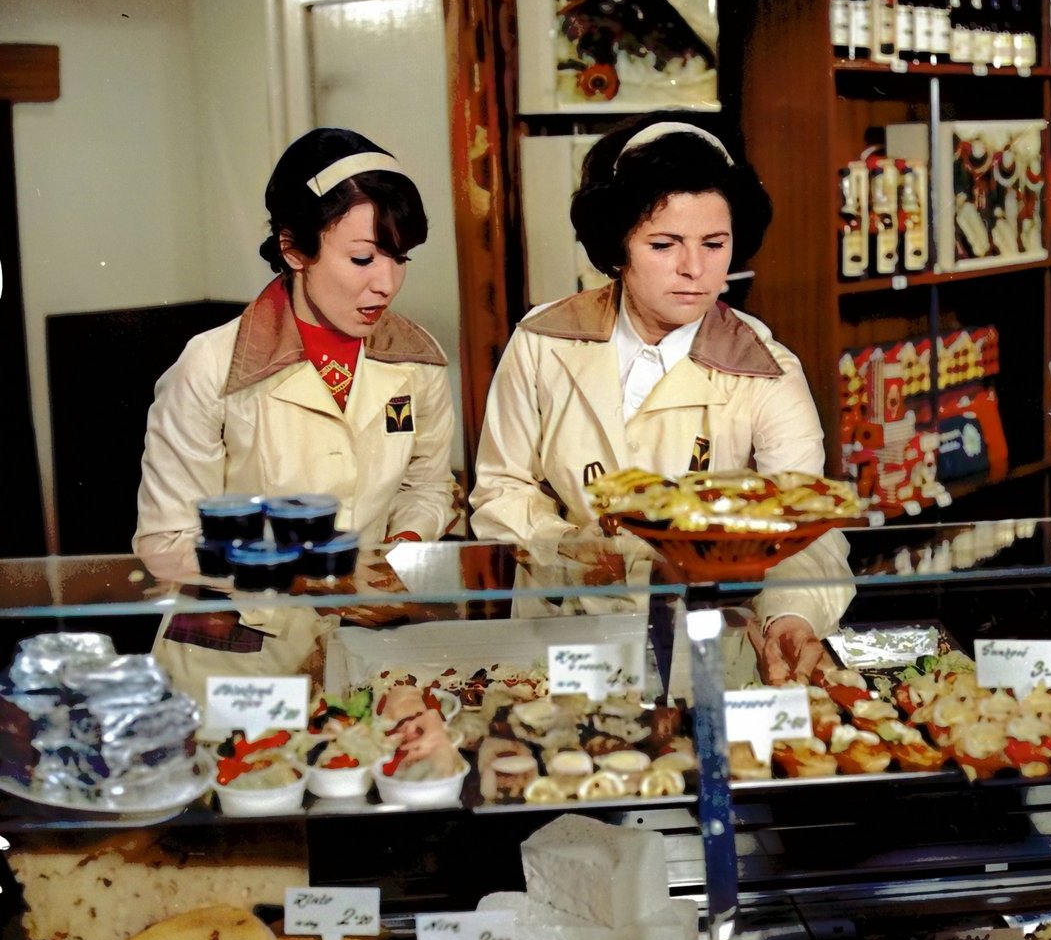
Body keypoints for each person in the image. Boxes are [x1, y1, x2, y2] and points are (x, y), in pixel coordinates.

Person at [469, 117, 853, 684]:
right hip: (564, 635)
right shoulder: (543, 341)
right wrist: (565, 548)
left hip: (706, 644)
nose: (694, 270)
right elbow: (502, 487)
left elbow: (804, 523)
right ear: (617, 246)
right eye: (664, 244)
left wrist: (791, 614)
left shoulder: (766, 368)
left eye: (714, 244)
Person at [134, 127, 457, 690]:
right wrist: (318, 577)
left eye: (398, 257)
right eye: (362, 257)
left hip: (367, 646)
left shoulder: (418, 361)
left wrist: (398, 556)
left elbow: (428, 487)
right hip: (236, 658)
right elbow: (165, 545)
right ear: (293, 249)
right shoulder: (211, 365)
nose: (386, 283)